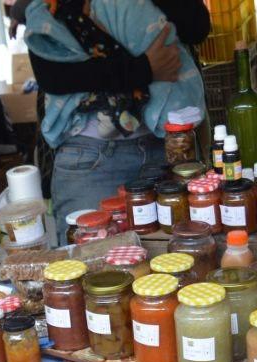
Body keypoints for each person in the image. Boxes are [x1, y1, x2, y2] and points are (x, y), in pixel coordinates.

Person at [22, 0, 209, 242]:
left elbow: (197, 27)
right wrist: (144, 69)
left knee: (179, 263)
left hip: (165, 147)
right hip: (93, 158)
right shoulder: (49, 9)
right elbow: (52, 76)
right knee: (89, 265)